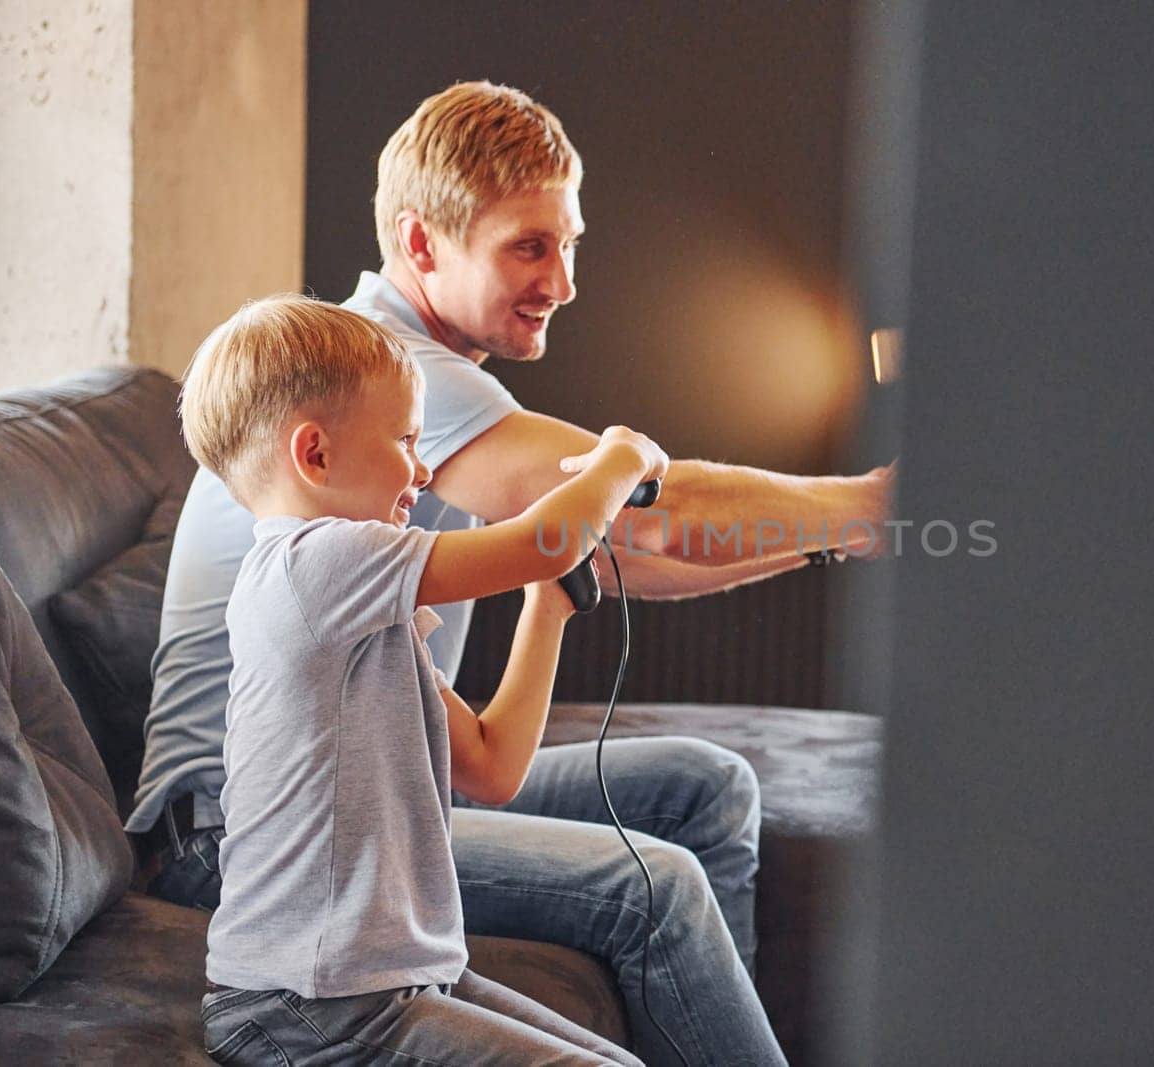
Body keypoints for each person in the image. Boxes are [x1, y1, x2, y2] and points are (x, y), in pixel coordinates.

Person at [131, 81, 886, 1062]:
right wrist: (868, 501)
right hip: (236, 836)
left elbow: (612, 556)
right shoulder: (373, 381)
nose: (565, 280)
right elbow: (636, 524)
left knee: (705, 785)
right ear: (421, 245)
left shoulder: (389, 408)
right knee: (648, 882)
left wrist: (842, 532)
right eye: (530, 246)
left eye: (569, 242)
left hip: (393, 773)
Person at [183, 295, 676, 1064]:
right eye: (406, 441)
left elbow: (491, 764)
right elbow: (549, 538)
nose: (422, 470)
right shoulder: (310, 563)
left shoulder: (360, 611)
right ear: (314, 454)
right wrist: (623, 456)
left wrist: (544, 612)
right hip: (306, 1007)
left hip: (384, 987)